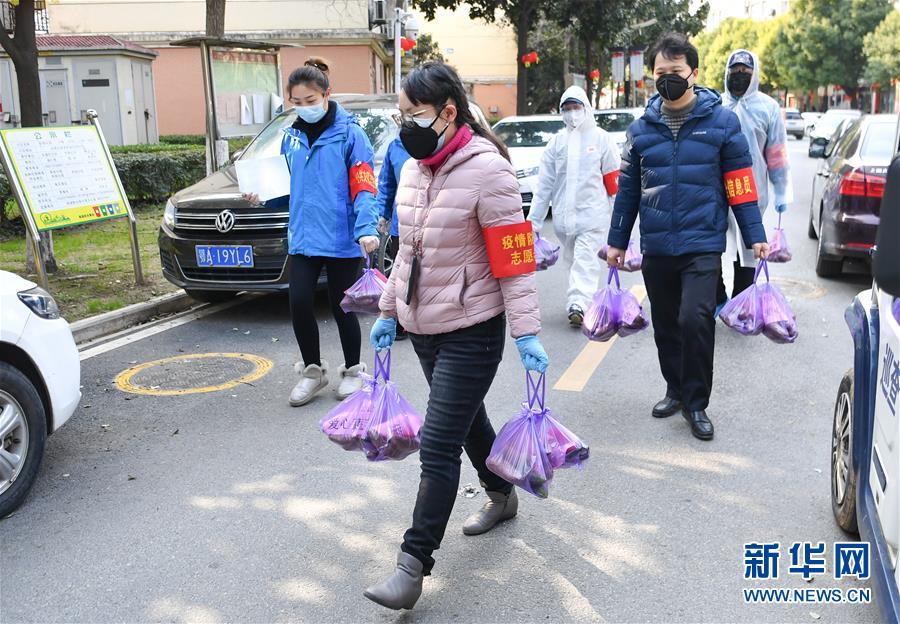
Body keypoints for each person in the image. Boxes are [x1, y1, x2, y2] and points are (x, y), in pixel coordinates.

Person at [365, 61, 547, 611]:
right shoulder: (414, 169)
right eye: (401, 115)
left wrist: (526, 333)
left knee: (439, 444)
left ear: (448, 113)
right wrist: (388, 311)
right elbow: (407, 253)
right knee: (468, 424)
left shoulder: (489, 171)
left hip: (474, 330)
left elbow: (514, 260)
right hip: (425, 327)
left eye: (415, 114)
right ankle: (502, 494)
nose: (406, 126)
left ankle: (411, 566)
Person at [606, 33, 769, 441]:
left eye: (675, 71)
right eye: (660, 72)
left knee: (695, 318)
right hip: (658, 243)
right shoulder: (641, 130)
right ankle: (675, 390)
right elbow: (627, 191)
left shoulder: (722, 123)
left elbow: (740, 184)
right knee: (666, 324)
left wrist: (755, 235)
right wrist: (617, 241)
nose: (667, 79)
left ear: (693, 73)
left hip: (703, 242)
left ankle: (696, 403)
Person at [248, 57, 380, 407]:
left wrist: (366, 229)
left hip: (341, 237)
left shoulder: (351, 134)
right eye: (297, 102)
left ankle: (353, 370)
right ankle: (312, 372)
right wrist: (263, 197)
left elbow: (364, 186)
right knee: (300, 303)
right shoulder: (290, 137)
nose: (304, 107)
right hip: (304, 237)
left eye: (311, 100)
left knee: (342, 306)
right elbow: (288, 189)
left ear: (326, 94)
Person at [528, 85, 621, 326]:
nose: (572, 113)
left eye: (576, 107)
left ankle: (578, 303)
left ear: (586, 108)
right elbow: (544, 186)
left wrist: (620, 222)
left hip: (592, 216)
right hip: (563, 220)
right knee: (572, 261)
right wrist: (533, 223)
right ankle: (581, 299)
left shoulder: (601, 139)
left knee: (584, 259)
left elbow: (614, 182)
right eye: (567, 108)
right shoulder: (556, 143)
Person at [716, 49, 793, 310]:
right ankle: (716, 296)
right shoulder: (715, 105)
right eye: (734, 71)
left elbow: (777, 154)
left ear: (754, 74)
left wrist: (781, 190)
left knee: (748, 248)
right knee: (712, 245)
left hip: (752, 191)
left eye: (745, 72)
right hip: (716, 191)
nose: (739, 76)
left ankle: (742, 300)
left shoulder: (768, 108)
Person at [375, 131, 411, 340]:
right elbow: (387, 184)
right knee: (401, 277)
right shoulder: (396, 146)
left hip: (435, 224)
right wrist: (383, 214)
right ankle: (400, 322)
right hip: (402, 224)